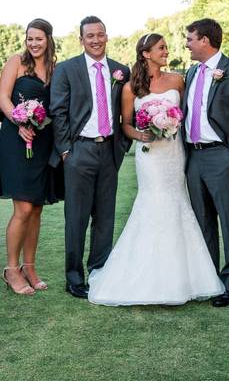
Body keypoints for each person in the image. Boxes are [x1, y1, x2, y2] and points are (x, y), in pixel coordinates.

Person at [87, 34, 224, 305]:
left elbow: (188, 113)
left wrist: (169, 122)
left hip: (174, 153)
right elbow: (125, 124)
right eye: (161, 48)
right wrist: (141, 135)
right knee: (154, 204)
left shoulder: (177, 80)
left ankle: (186, 278)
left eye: (166, 48)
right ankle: (147, 277)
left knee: (176, 203)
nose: (167, 51)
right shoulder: (130, 88)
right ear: (146, 53)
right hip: (149, 155)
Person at [49, 16, 131, 299]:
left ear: (107, 36)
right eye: (89, 36)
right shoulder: (66, 69)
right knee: (77, 218)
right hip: (78, 151)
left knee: (105, 217)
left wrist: (120, 147)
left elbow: (127, 111)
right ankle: (74, 277)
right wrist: (66, 151)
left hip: (109, 149)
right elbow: (58, 111)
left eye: (100, 34)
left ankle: (99, 271)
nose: (95, 40)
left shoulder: (121, 71)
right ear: (81, 39)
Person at [182, 18, 229, 308]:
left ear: (204, 40)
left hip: (222, 156)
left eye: (190, 39)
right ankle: (209, 279)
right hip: (194, 156)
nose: (187, 44)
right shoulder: (190, 72)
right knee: (203, 222)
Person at [0, 18, 59, 296]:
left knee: (37, 207)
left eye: (38, 38)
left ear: (48, 39)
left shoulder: (55, 68)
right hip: (16, 141)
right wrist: (19, 122)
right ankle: (11, 269)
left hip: (43, 141)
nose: (33, 43)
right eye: (30, 38)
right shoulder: (16, 61)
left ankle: (30, 266)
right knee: (24, 209)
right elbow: (3, 98)